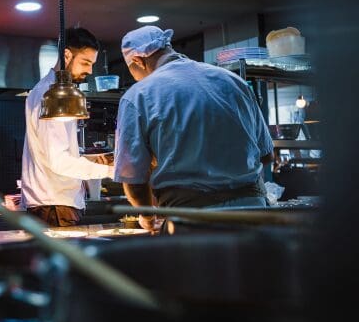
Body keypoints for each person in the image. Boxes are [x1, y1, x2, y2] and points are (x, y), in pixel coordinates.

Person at [113, 26, 274, 231]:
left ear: (138, 61)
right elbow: (266, 155)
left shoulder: (138, 96)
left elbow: (134, 180)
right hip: (252, 214)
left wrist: (146, 215)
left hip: (191, 220)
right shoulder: (233, 81)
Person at [21, 27, 114, 226]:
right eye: (85, 62)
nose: (89, 71)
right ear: (67, 54)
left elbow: (55, 154)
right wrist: (110, 171)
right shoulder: (52, 96)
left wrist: (89, 160)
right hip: (54, 207)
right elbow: (59, 162)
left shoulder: (53, 91)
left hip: (53, 205)